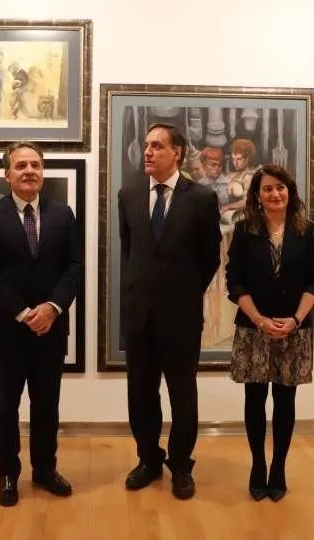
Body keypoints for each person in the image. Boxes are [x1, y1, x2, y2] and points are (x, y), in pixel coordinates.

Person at [0, 141, 82, 507]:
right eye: (21, 166)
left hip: (51, 330)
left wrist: (51, 308)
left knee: (46, 404)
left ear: (43, 171)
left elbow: (75, 268)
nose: (30, 171)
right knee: (5, 404)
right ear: (7, 174)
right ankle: (7, 473)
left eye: (35, 164)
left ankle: (45, 469)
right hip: (7, 330)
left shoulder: (63, 215)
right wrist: (22, 312)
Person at [117, 122, 222, 500]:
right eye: (146, 145)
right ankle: (148, 459)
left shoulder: (201, 199)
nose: (148, 151)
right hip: (140, 314)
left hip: (180, 316)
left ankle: (180, 464)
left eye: (157, 146)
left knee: (182, 394)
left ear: (176, 152)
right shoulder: (128, 195)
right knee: (140, 394)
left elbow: (210, 257)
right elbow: (130, 252)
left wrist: (184, 292)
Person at [224, 164, 314, 502]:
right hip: (255, 328)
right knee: (254, 399)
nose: (275, 194)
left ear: (290, 192)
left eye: (280, 187)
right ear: (257, 195)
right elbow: (234, 281)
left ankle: (278, 467)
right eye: (267, 188)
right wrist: (260, 320)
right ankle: (257, 465)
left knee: (285, 400)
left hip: (294, 330)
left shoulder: (305, 230)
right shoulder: (244, 230)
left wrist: (295, 319)